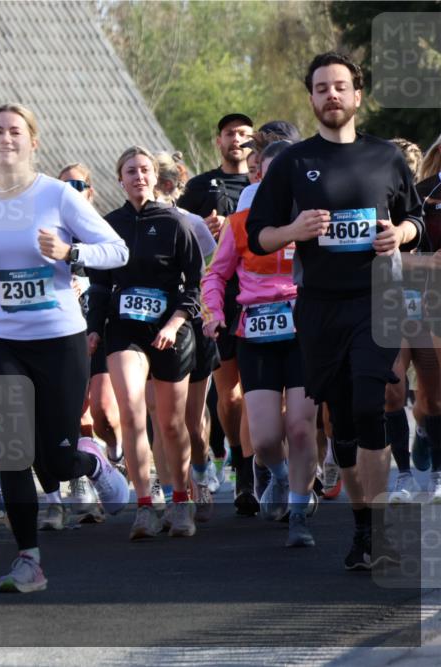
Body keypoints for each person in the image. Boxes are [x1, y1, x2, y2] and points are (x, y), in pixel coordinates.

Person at [247, 52, 424, 569]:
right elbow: (259, 236)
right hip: (320, 308)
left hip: (376, 300)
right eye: (321, 87)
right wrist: (294, 231)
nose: (331, 95)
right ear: (311, 98)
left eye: (340, 86)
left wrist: (402, 233)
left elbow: (412, 215)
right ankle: (362, 528)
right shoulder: (291, 163)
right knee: (342, 420)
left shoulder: (386, 157)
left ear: (357, 95)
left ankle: (379, 529)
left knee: (373, 402)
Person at [0, 104, 129, 592]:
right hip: (2, 338)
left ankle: (90, 461)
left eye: (14, 131)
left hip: (60, 339)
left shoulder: (57, 195)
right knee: (9, 450)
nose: (5, 138)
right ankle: (28, 560)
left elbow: (117, 250)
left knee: (53, 462)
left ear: (32, 142)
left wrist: (70, 253)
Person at [205, 139, 320, 547]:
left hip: (303, 332)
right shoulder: (240, 224)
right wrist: (213, 313)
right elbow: (214, 275)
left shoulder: (312, 221)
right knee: (268, 437)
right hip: (255, 335)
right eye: (271, 173)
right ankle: (282, 474)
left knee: (302, 428)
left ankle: (299, 514)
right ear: (258, 177)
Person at [90, 146, 204, 540]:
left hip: (170, 328)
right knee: (133, 413)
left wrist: (174, 323)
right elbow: (100, 285)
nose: (138, 176)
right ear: (119, 179)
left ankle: (180, 499)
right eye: (130, 171)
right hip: (124, 328)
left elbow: (194, 287)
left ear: (155, 177)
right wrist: (93, 328)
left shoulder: (176, 223)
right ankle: (143, 506)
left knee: (171, 424)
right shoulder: (108, 225)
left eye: (144, 170)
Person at [178, 113, 256, 513]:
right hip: (220, 297)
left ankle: (265, 469)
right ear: (218, 140)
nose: (238, 140)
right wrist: (206, 231)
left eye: (245, 134)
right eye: (230, 133)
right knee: (231, 395)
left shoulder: (266, 185)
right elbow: (178, 235)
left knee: (268, 391)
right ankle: (242, 465)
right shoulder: (198, 187)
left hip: (265, 295)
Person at [154, 151, 220, 519]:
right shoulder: (128, 224)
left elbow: (207, 273)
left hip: (192, 324)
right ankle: (168, 492)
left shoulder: (192, 223)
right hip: (151, 326)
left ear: (170, 187)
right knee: (161, 417)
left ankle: (200, 468)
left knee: (192, 421)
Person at [383, 138, 439, 503]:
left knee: (433, 402)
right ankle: (402, 475)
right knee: (392, 389)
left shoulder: (430, 197)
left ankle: (434, 468)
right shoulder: (379, 202)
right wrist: (422, 262)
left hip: (431, 303)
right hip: (389, 300)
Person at [58, 162, 114, 525]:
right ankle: (82, 481)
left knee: (105, 411)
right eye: (65, 186)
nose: (72, 190)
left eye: (78, 184)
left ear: (90, 191)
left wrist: (88, 285)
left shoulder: (100, 229)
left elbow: (117, 269)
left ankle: (112, 458)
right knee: (74, 410)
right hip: (65, 332)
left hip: (103, 328)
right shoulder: (50, 230)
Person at [412, 134, 441, 485]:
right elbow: (401, 252)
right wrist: (428, 261)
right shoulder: (423, 193)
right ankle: (423, 426)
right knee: (432, 399)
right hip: (430, 296)